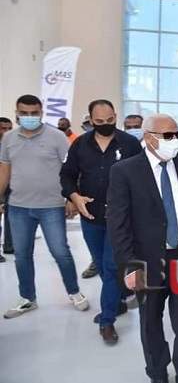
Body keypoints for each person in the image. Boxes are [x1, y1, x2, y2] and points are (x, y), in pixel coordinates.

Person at [108, 114, 178, 383]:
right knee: (150, 321)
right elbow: (118, 224)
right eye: (168, 136)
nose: (175, 141)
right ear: (149, 138)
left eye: (177, 135)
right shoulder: (125, 171)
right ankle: (157, 373)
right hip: (146, 259)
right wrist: (129, 265)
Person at [60, 99, 143, 344]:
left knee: (111, 266)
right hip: (91, 216)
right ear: (90, 120)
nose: (105, 124)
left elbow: (142, 177)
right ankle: (118, 300)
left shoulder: (129, 144)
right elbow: (67, 175)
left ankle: (107, 320)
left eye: (110, 120)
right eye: (99, 121)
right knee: (101, 264)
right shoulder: (80, 144)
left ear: (115, 116)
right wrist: (74, 196)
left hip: (121, 217)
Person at [1, 94, 89, 319]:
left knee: (61, 252)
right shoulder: (8, 138)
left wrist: (71, 198)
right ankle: (27, 298)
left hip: (51, 206)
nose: (29, 117)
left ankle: (74, 292)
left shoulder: (57, 137)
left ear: (41, 113)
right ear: (17, 113)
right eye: (24, 113)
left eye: (34, 113)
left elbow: (71, 170)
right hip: (18, 207)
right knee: (22, 255)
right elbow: (4, 171)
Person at [0, 117, 14, 261]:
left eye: (9, 128)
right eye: (3, 128)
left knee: (12, 216)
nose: (6, 131)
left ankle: (9, 246)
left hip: (12, 184)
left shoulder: (13, 144)